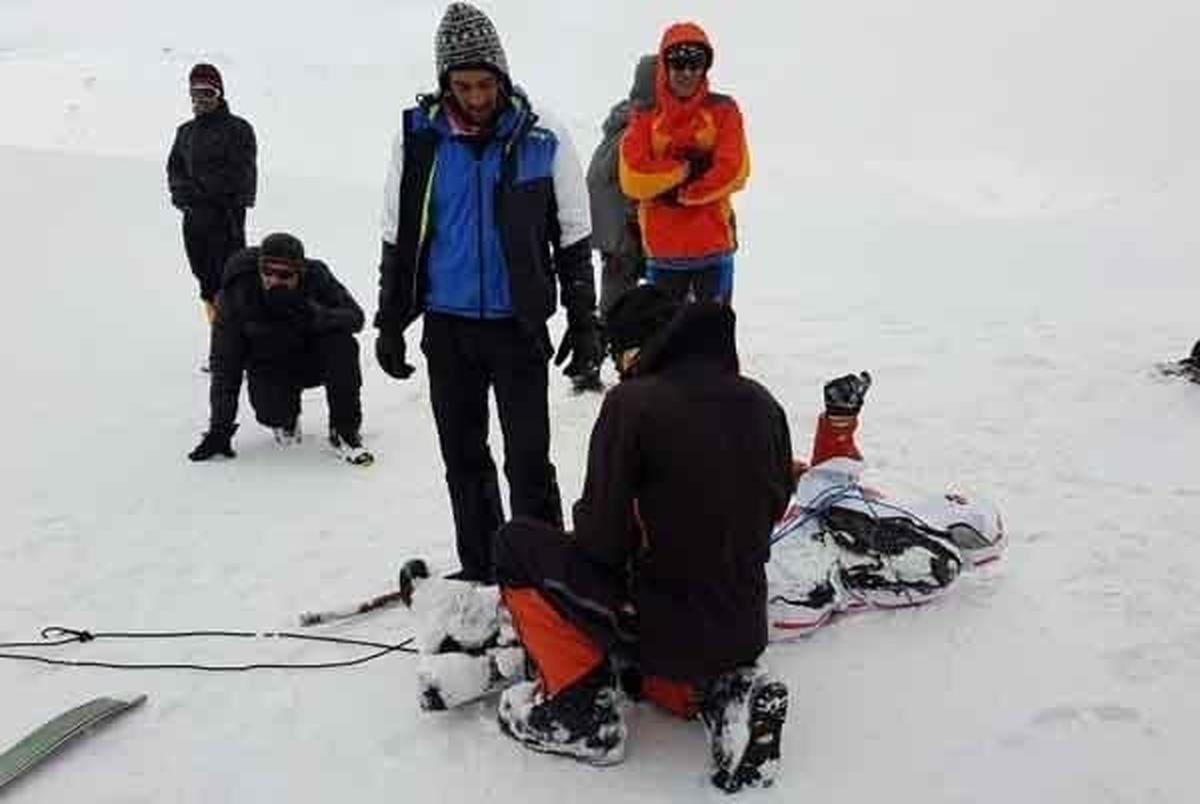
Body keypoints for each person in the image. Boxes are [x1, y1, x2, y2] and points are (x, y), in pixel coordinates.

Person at [405, 285, 793, 792]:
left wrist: (587, 532)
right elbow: (773, 507)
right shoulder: (762, 402)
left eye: (618, 354)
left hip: (661, 627)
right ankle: (719, 691)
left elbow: (600, 545)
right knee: (681, 621)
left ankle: (579, 710)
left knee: (516, 545)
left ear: (638, 348)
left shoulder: (633, 405)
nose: (615, 367)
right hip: (742, 624)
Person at [373, 2, 602, 581]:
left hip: (516, 326)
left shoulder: (541, 136)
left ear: (502, 76)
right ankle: (482, 566)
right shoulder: (419, 140)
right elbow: (399, 234)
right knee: (464, 459)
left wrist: (584, 319)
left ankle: (544, 572)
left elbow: (573, 233)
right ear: (444, 82)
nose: (475, 97)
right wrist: (390, 321)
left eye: (484, 83)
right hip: (447, 328)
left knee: (528, 459)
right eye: (462, 85)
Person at [766, 373, 1006, 639]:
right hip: (773, 537)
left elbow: (822, 478)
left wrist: (838, 423)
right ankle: (833, 573)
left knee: (828, 496)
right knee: (786, 595)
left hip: (807, 526)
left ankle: (834, 570)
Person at [188, 232, 371, 465]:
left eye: (284, 274)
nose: (274, 280)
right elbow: (225, 365)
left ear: (300, 272)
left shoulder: (317, 277)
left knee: (342, 344)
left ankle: (344, 431)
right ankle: (286, 419)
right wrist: (219, 430)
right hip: (268, 364)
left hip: (310, 357)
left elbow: (356, 318)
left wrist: (312, 313)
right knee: (272, 414)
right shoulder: (237, 294)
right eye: (267, 272)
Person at [619, 22, 749, 304]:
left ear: (706, 67)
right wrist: (688, 170)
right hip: (663, 255)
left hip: (713, 250)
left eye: (696, 63)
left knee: (713, 341)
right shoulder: (645, 117)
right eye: (679, 64)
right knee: (664, 344)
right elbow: (633, 176)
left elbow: (735, 169)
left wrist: (672, 189)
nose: (687, 73)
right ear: (665, 67)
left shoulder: (724, 110)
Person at [167, 63, 258, 332]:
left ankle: (239, 348)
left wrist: (212, 197)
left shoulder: (239, 129)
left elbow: (243, 175)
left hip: (226, 220)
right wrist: (183, 197)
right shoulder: (185, 133)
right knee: (206, 282)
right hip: (194, 222)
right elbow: (175, 169)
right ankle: (220, 342)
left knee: (232, 280)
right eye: (195, 93)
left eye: (207, 92)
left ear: (219, 93)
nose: (200, 99)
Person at [586, 54, 656, 345]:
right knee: (621, 296)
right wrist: (633, 223)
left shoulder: (621, 123)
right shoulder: (637, 129)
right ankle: (599, 353)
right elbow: (632, 184)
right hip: (624, 229)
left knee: (615, 293)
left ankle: (594, 354)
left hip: (611, 227)